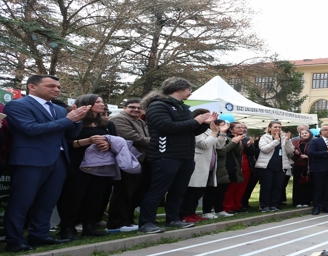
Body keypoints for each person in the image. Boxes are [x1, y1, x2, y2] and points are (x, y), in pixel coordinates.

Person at [3, 75, 89, 252]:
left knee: (47, 202)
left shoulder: (58, 109)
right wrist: (69, 119)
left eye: (58, 86)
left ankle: (40, 235)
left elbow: (69, 134)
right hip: (30, 160)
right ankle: (15, 240)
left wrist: (78, 120)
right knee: (21, 202)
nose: (56, 89)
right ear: (32, 87)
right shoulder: (17, 105)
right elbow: (31, 129)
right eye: (51, 85)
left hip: (58, 160)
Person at [138, 78, 216, 234]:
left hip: (185, 155)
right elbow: (166, 127)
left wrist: (204, 124)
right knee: (158, 190)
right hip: (165, 154)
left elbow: (190, 131)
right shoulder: (158, 105)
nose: (190, 92)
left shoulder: (183, 108)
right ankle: (146, 223)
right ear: (179, 89)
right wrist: (196, 121)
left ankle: (173, 218)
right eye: (189, 89)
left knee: (178, 190)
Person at [57, 94, 118, 239]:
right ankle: (68, 228)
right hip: (77, 165)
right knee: (73, 197)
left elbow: (115, 141)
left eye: (102, 101)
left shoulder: (108, 124)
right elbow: (65, 143)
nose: (102, 104)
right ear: (86, 103)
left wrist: (108, 144)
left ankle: (89, 226)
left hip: (100, 166)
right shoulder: (73, 122)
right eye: (97, 102)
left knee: (95, 196)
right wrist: (87, 141)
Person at [107, 99, 149, 232]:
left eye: (139, 108)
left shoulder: (141, 122)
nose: (136, 110)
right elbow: (132, 137)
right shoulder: (119, 119)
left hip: (138, 160)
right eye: (132, 107)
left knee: (134, 192)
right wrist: (156, 142)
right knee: (123, 191)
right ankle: (117, 222)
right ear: (124, 107)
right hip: (126, 161)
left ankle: (128, 220)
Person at [179, 111, 228, 221]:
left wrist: (222, 133)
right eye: (206, 116)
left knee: (199, 191)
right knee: (191, 191)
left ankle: (192, 213)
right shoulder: (196, 129)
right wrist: (214, 133)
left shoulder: (209, 130)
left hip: (208, 166)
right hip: (198, 164)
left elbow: (219, 146)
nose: (210, 118)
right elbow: (204, 144)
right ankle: (184, 214)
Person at [206, 120, 243, 219]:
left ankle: (219, 210)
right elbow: (221, 151)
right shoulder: (213, 137)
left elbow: (238, 151)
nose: (225, 128)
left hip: (229, 166)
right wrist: (233, 142)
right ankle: (207, 211)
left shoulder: (227, 137)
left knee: (222, 190)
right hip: (218, 166)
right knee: (213, 190)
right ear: (215, 126)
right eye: (223, 125)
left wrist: (237, 141)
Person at [254, 121, 295, 212]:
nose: (278, 129)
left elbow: (290, 151)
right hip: (266, 166)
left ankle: (274, 205)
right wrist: (276, 141)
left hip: (280, 166)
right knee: (266, 186)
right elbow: (264, 149)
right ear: (269, 128)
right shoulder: (265, 137)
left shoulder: (284, 138)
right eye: (275, 127)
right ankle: (264, 205)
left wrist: (288, 141)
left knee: (277, 187)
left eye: (279, 127)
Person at [307, 124, 328, 215]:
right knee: (318, 188)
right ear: (321, 132)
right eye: (325, 130)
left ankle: (327, 206)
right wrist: (326, 152)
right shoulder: (315, 141)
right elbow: (311, 153)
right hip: (319, 169)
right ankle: (317, 207)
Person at [222, 122, 252, 213]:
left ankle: (237, 206)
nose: (241, 129)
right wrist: (235, 141)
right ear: (231, 129)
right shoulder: (227, 138)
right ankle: (228, 207)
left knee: (241, 187)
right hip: (233, 165)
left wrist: (249, 145)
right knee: (231, 188)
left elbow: (252, 152)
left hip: (245, 165)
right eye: (238, 127)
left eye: (242, 128)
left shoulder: (245, 138)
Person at [292, 128, 314, 207]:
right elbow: (290, 152)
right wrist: (295, 152)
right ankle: (297, 201)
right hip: (299, 166)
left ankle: (306, 201)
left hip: (309, 165)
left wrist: (308, 156)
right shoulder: (296, 142)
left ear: (309, 134)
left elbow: (315, 152)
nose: (304, 135)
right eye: (302, 134)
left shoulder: (313, 142)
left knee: (308, 183)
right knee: (298, 184)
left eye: (306, 133)